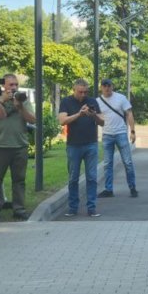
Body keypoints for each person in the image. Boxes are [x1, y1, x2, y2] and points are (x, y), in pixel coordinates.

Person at [0, 74, 36, 221]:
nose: (14, 87)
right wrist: (2, 101)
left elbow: (33, 119)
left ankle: (19, 209)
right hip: (0, 145)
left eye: (16, 84)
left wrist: (20, 107)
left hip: (19, 145)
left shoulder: (22, 99)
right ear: (4, 86)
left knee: (19, 180)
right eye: (11, 85)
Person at [58, 79, 104, 217]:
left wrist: (93, 115)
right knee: (73, 178)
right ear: (74, 90)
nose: (83, 94)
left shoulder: (92, 101)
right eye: (80, 92)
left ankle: (91, 208)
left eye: (85, 92)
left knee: (92, 177)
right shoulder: (66, 102)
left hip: (91, 144)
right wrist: (79, 114)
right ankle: (73, 208)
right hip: (74, 145)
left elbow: (102, 122)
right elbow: (62, 121)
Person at [96, 78, 137, 199]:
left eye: (109, 85)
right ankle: (108, 189)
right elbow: (97, 118)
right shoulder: (97, 101)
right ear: (101, 87)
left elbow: (129, 114)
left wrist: (132, 131)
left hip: (121, 134)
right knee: (107, 164)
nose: (107, 88)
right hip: (107, 135)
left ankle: (132, 187)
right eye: (104, 86)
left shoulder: (121, 98)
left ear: (112, 86)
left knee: (127, 162)